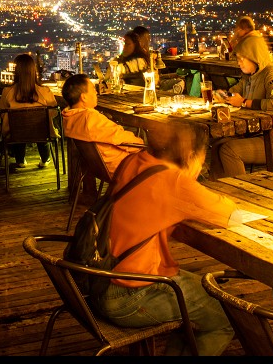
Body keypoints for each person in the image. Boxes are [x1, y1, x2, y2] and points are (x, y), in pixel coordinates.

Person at [91, 122, 237, 356]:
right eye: (202, 158)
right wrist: (190, 177)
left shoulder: (134, 161)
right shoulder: (174, 181)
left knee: (197, 303)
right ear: (191, 154)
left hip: (97, 282)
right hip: (131, 293)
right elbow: (228, 213)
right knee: (225, 319)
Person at [209, 33, 273, 179]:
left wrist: (244, 102)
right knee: (217, 146)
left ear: (255, 56)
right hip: (259, 133)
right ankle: (219, 191)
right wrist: (223, 96)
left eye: (242, 58)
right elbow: (234, 93)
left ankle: (241, 193)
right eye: (238, 59)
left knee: (229, 150)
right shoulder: (249, 77)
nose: (239, 63)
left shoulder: (272, 75)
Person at [60, 73, 145, 176]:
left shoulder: (70, 117)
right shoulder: (90, 118)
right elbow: (119, 137)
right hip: (122, 166)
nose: (96, 92)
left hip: (98, 168)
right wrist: (143, 145)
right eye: (92, 88)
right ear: (84, 97)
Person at [0, 52, 58, 169]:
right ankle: (45, 159)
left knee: (18, 127)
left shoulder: (7, 92)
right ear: (33, 71)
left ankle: (20, 160)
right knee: (42, 126)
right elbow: (54, 112)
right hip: (42, 133)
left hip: (16, 135)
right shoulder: (45, 91)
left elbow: (2, 113)